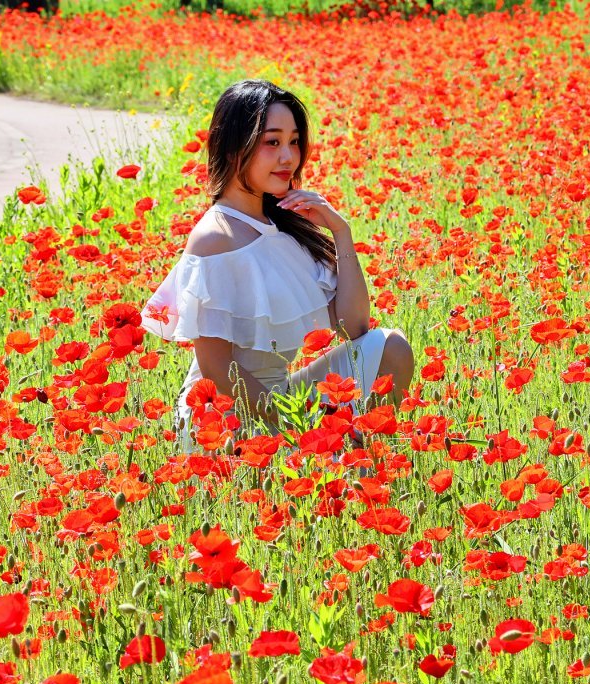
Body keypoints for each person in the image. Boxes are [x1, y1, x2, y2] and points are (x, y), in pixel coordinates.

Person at [141, 79, 414, 453]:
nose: (288, 157)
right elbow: (219, 371)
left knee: (390, 348)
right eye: (272, 142)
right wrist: (299, 428)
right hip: (224, 415)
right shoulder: (215, 237)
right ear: (236, 145)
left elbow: (354, 327)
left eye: (294, 141)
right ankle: (338, 463)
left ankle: (363, 468)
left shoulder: (284, 228)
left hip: (282, 398)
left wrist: (341, 232)